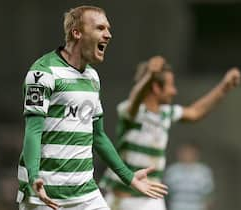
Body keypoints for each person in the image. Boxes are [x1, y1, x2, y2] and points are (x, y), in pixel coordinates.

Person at [16, 6, 167, 210]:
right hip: (45, 193)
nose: (108, 34)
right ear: (77, 33)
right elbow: (33, 131)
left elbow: (99, 136)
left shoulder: (92, 77)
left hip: (85, 193)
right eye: (100, 28)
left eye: (108, 28)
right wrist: (34, 176)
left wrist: (128, 176)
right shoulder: (43, 73)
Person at [99, 56, 241, 210]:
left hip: (150, 200)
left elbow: (195, 112)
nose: (174, 91)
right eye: (171, 85)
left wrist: (225, 86)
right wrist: (149, 76)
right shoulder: (132, 112)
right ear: (156, 88)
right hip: (121, 201)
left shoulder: (166, 113)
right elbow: (134, 101)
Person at [164, 142, 214, 210]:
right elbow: (164, 193)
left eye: (190, 152)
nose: (187, 155)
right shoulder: (172, 171)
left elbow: (209, 195)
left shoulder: (204, 171)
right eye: (185, 152)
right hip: (176, 207)